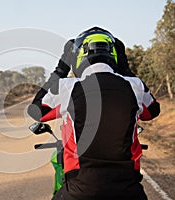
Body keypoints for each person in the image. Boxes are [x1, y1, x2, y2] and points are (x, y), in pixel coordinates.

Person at [27, 27, 160, 200]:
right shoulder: (134, 85)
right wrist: (125, 69)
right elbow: (152, 111)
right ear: (114, 55)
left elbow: (36, 110)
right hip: (128, 190)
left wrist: (61, 69)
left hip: (80, 191)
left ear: (78, 57)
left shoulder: (68, 87)